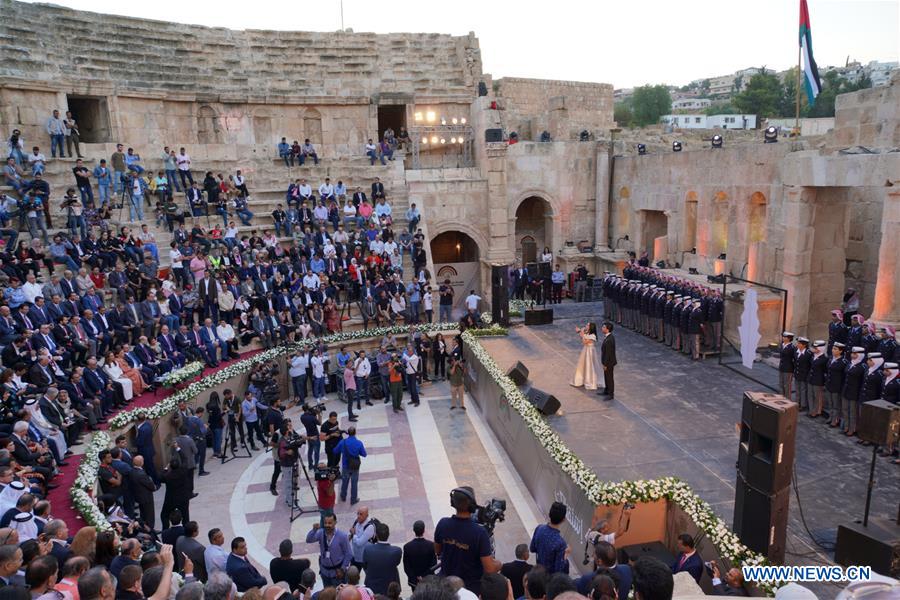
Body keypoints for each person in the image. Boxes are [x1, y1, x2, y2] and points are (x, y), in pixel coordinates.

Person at [434, 487, 500, 594]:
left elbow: (437, 551)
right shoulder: (480, 532)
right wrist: (499, 564)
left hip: (446, 586)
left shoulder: (443, 524)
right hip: (470, 589)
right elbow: (489, 569)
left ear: (453, 503)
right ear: (472, 506)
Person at [305, 514, 351, 587]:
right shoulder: (321, 533)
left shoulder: (342, 536)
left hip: (337, 574)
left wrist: (343, 569)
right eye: (325, 523)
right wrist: (314, 530)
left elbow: (348, 554)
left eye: (330, 523)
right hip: (325, 572)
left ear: (335, 522)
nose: (327, 525)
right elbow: (308, 540)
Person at [362, 522, 402, 595]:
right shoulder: (397, 551)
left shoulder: (368, 550)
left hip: (373, 588)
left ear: (376, 535)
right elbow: (397, 563)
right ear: (388, 535)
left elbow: (365, 566)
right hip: (390, 589)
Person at [529, 502, 569, 574]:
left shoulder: (539, 528)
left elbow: (532, 548)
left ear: (549, 514)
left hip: (539, 573)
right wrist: (565, 555)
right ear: (563, 519)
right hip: (550, 579)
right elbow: (559, 569)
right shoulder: (561, 543)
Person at [334, 427, 366, 504]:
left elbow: (335, 451)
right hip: (355, 466)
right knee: (354, 483)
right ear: (355, 432)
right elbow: (364, 454)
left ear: (348, 433)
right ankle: (353, 499)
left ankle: (343, 496)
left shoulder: (343, 442)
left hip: (346, 466)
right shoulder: (359, 443)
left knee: (345, 481)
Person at [402, 520, 436, 591]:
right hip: (428, 580)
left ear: (413, 530)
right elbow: (433, 564)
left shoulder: (407, 547)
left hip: (414, 582)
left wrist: (415, 578)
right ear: (424, 530)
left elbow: (407, 567)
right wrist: (423, 577)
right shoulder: (431, 545)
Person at [571, 323, 599, 390]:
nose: (586, 326)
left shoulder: (593, 336)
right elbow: (582, 336)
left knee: (589, 365)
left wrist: (583, 334)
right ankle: (582, 379)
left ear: (590, 327)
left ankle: (590, 381)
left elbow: (584, 342)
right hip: (585, 350)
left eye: (587, 325)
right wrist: (580, 331)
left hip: (590, 351)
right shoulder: (587, 333)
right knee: (583, 365)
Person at [596, 322, 616, 400]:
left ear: (607, 329)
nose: (602, 328)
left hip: (609, 363)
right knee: (606, 377)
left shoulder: (609, 340)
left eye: (604, 327)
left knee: (609, 378)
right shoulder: (608, 337)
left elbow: (608, 353)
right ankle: (606, 390)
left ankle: (611, 394)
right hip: (608, 362)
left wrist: (605, 364)